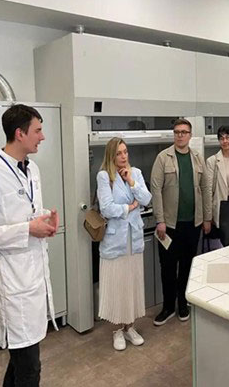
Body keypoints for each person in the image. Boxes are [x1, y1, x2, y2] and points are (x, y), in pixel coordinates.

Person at [0, 104, 59, 387]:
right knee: (29, 369)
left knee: (21, 364)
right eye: (38, 130)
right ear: (20, 133)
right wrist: (27, 229)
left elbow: (26, 212)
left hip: (35, 278)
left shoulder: (33, 169)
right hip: (14, 288)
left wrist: (43, 222)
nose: (42, 137)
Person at [151, 118, 212, 325]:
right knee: (168, 267)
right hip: (169, 225)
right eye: (177, 132)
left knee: (187, 265)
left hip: (192, 224)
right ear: (174, 134)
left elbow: (206, 189)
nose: (180, 135)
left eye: (184, 132)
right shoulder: (163, 158)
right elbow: (156, 190)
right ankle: (168, 307)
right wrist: (159, 220)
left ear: (190, 135)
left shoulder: (197, 158)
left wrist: (207, 217)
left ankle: (183, 303)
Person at [96, 137, 152, 351]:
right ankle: (116, 330)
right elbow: (107, 208)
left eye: (125, 152)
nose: (123, 156)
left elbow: (146, 199)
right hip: (115, 241)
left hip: (133, 239)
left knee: (131, 284)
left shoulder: (135, 173)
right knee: (117, 286)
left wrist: (131, 181)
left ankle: (130, 326)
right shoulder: (104, 176)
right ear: (111, 155)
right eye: (119, 153)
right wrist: (129, 208)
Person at [205, 125, 229, 247]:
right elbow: (208, 189)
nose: (225, 141)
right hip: (222, 205)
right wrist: (208, 216)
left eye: (228, 137)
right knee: (225, 242)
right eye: (221, 138)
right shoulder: (212, 161)